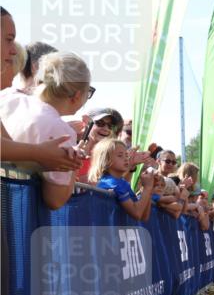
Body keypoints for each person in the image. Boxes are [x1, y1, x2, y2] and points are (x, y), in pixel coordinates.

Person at [0, 50, 92, 210]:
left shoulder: (8, 96)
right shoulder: (62, 132)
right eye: (88, 92)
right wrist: (73, 163)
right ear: (77, 96)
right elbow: (55, 200)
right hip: (16, 216)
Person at [88, 138, 155, 221]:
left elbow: (144, 217)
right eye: (120, 155)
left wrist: (149, 189)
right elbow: (137, 213)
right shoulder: (112, 184)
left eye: (126, 155)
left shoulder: (121, 182)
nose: (126, 158)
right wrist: (147, 188)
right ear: (106, 160)